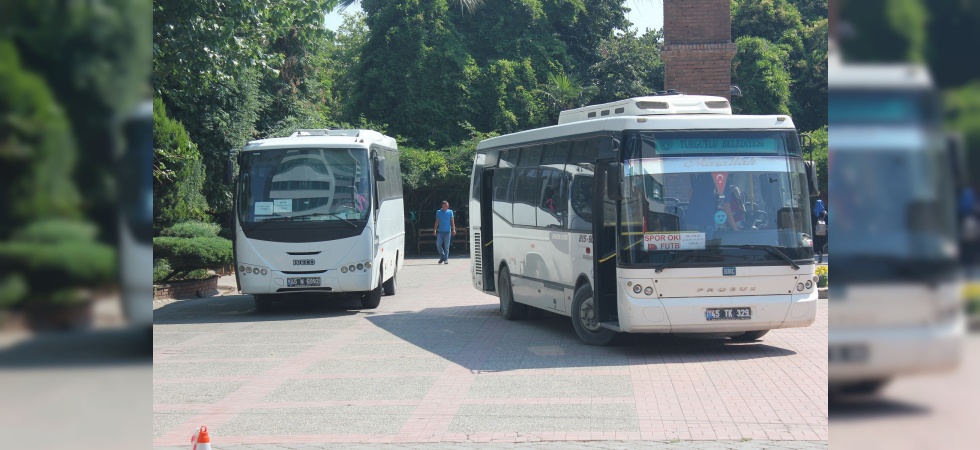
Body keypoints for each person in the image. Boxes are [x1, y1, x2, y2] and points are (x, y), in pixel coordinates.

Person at [813, 199, 828, 263]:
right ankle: (821, 253)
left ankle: (818, 253)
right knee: (822, 243)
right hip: (824, 231)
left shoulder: (814, 213)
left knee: (817, 243)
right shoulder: (825, 213)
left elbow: (812, 222)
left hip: (816, 231)